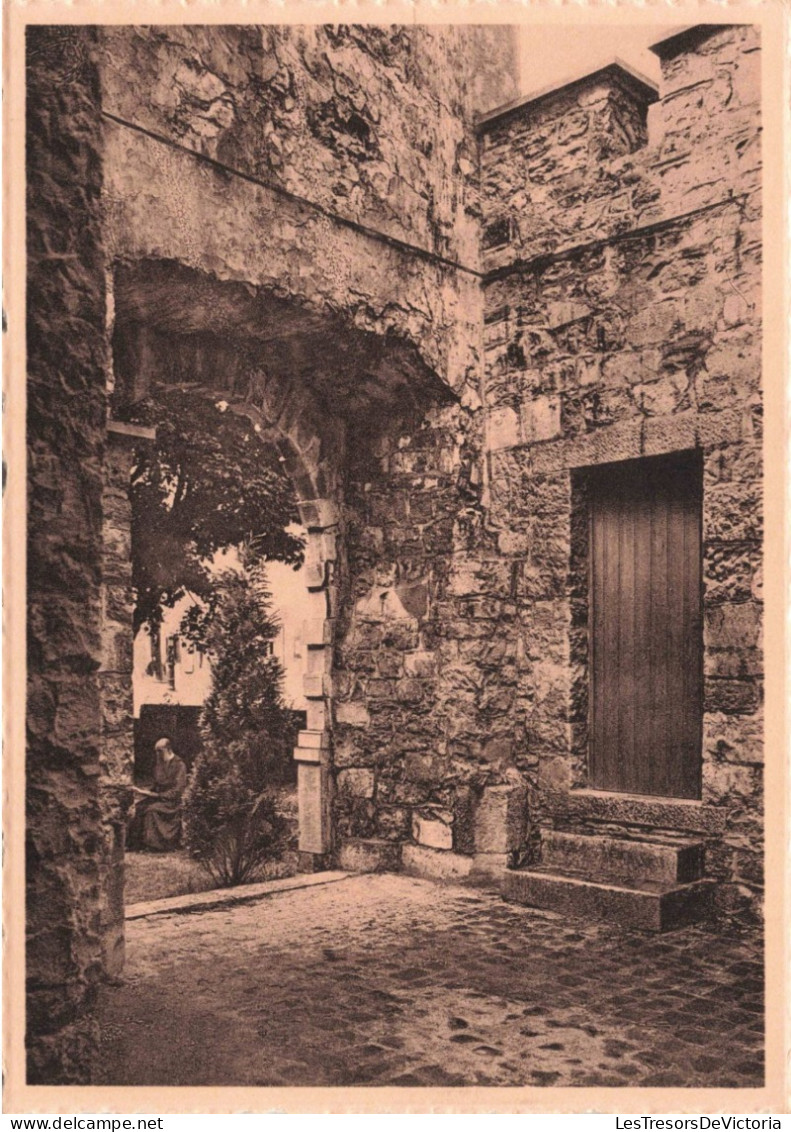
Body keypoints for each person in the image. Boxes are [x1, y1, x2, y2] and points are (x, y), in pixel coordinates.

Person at [128, 738, 188, 852]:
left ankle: (154, 845)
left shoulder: (180, 765)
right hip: (159, 797)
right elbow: (156, 784)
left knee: (151, 810)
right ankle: (135, 844)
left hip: (171, 802)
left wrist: (156, 795)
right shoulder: (159, 764)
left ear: (168, 749)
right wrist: (144, 791)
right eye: (156, 751)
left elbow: (177, 791)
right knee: (139, 807)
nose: (157, 754)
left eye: (160, 751)